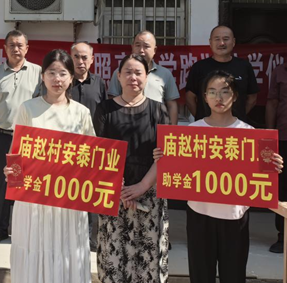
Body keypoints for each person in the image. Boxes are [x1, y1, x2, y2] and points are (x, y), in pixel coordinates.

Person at [155, 70, 283, 283]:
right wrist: (162, 157)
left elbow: (263, 175)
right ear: (205, 97)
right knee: (200, 274)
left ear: (235, 96)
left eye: (225, 91)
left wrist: (273, 167)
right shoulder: (192, 131)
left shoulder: (249, 132)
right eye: (212, 92)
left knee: (233, 274)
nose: (219, 98)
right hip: (199, 214)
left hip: (235, 216)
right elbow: (177, 168)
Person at [5, 49, 94, 283]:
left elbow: (93, 160)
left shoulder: (81, 113)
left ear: (71, 78)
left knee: (67, 252)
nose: (57, 79)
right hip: (33, 200)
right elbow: (15, 154)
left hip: (68, 201)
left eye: (63, 73)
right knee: (35, 250)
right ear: (42, 76)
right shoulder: (27, 108)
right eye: (51, 72)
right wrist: (12, 175)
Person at [94, 54, 169, 283]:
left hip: (150, 195)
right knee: (114, 261)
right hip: (113, 194)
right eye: (128, 72)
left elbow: (165, 157)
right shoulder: (105, 110)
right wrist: (120, 189)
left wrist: (142, 186)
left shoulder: (159, 110)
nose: (133, 77)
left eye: (138, 72)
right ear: (118, 76)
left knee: (147, 262)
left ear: (147, 77)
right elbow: (98, 153)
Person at [0, 30, 41, 245]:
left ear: (27, 48)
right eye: (12, 45)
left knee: (27, 183)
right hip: (2, 136)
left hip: (29, 139)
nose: (16, 49)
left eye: (20, 45)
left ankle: (26, 231)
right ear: (5, 48)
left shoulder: (38, 72)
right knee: (2, 183)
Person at [69, 41, 106, 250]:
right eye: (76, 57)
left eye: (85, 57)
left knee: (90, 194)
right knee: (69, 193)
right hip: (67, 148)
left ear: (92, 60)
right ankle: (71, 235)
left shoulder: (99, 83)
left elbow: (104, 113)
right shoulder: (64, 81)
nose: (80, 61)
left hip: (93, 147)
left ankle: (90, 237)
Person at [186, 25, 258, 122]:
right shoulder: (199, 67)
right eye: (217, 39)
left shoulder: (244, 66)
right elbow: (190, 98)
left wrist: (238, 117)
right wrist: (202, 120)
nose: (221, 43)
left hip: (236, 126)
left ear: (233, 42)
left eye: (226, 39)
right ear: (210, 42)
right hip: (206, 127)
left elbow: (252, 98)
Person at [108, 31, 180, 124]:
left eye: (146, 46)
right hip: (125, 124)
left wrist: (171, 130)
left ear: (154, 50)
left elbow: (171, 105)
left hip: (156, 125)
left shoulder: (165, 74)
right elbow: (112, 100)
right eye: (137, 45)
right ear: (132, 47)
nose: (141, 50)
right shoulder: (121, 73)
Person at [266, 63, 287, 253]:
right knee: (282, 188)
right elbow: (272, 102)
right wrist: (270, 136)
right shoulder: (280, 71)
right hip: (283, 136)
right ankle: (283, 236)